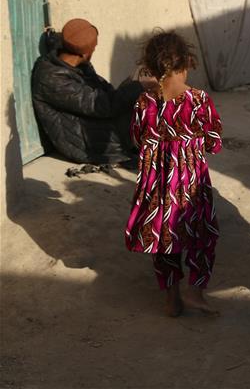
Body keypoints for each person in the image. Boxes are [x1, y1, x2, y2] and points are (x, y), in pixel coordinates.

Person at [124, 31, 223, 317]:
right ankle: (196, 291)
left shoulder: (144, 103)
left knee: (164, 239)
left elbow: (136, 138)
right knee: (202, 235)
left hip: (157, 185)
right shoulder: (199, 100)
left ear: (152, 69)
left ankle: (171, 298)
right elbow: (214, 142)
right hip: (191, 187)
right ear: (187, 62)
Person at [31, 18, 148, 165]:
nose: (94, 50)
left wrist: (133, 85)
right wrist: (139, 86)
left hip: (95, 124)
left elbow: (106, 91)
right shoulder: (52, 79)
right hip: (86, 143)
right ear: (85, 53)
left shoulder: (78, 65)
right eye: (94, 48)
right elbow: (101, 106)